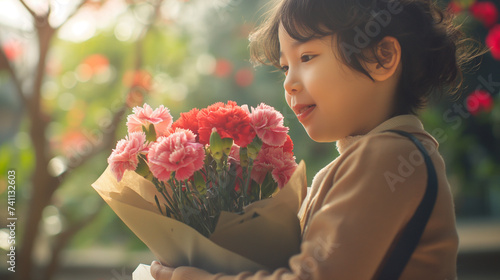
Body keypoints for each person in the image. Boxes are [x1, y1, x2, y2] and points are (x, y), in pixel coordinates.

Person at [150, 0, 484, 279]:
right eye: (284, 67)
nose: (289, 84)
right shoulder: (362, 161)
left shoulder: (390, 156)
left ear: (381, 57)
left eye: (307, 58)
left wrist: (190, 277)